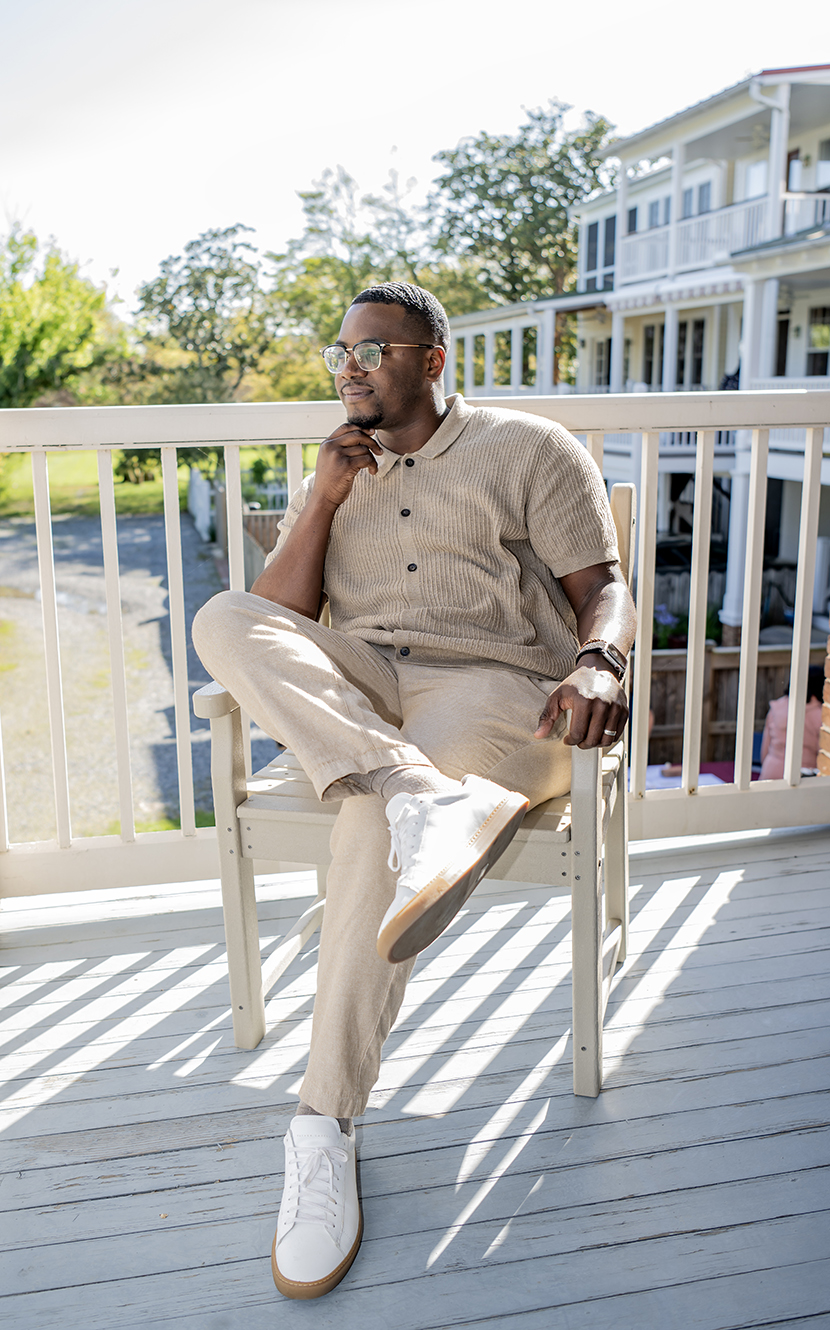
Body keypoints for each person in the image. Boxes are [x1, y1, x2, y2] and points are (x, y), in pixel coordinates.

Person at [192, 282, 636, 1300]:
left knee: (363, 825)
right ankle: (411, 790)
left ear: (433, 361)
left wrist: (600, 663)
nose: (348, 367)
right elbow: (278, 621)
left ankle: (321, 1123)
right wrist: (320, 496)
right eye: (340, 351)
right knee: (221, 621)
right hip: (367, 679)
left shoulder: (529, 448)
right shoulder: (338, 467)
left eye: (373, 350)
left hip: (491, 688)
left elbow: (600, 587)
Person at [759, 665, 824, 780]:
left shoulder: (777, 707)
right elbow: (823, 754)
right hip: (803, 774)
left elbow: (765, 748)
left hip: (771, 770)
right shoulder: (820, 715)